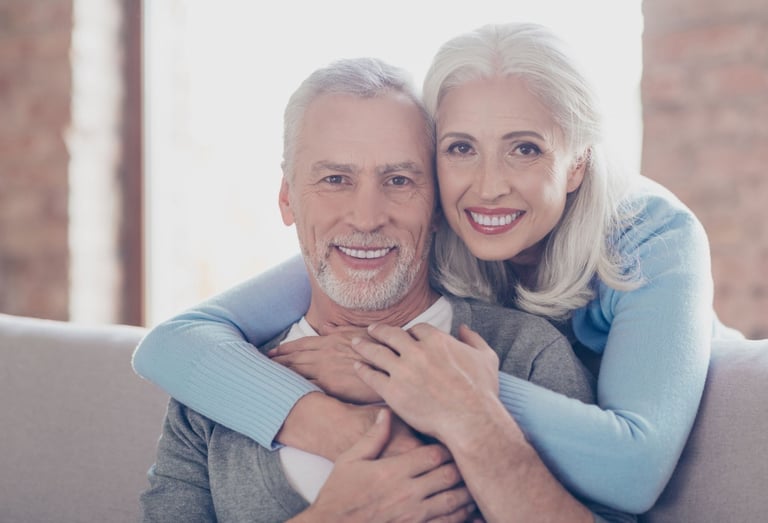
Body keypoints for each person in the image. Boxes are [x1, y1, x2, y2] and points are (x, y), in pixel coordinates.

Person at [132, 23, 743, 514]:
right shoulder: (427, 228)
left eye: (526, 148)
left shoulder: (647, 244)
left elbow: (633, 472)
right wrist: (330, 429)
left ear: (577, 163)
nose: (489, 186)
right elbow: (174, 341)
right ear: (289, 197)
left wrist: (409, 380)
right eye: (460, 149)